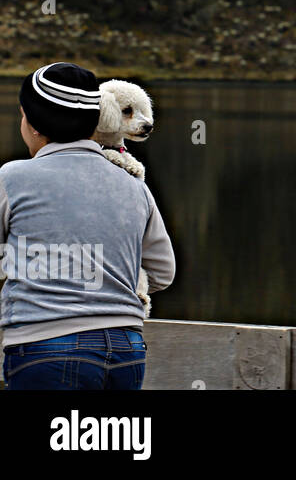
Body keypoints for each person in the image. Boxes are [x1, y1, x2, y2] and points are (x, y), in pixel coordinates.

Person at [0, 62, 175, 389]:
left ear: (35, 126)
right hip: (127, 349)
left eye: (23, 115)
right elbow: (163, 273)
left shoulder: (12, 179)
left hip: (45, 346)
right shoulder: (134, 185)